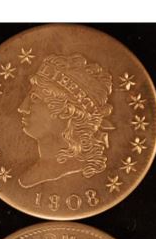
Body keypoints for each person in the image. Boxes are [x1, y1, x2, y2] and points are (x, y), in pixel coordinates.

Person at [17, 53, 114, 188]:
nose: (22, 108)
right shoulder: (31, 174)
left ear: (66, 112)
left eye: (35, 99)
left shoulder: (78, 174)